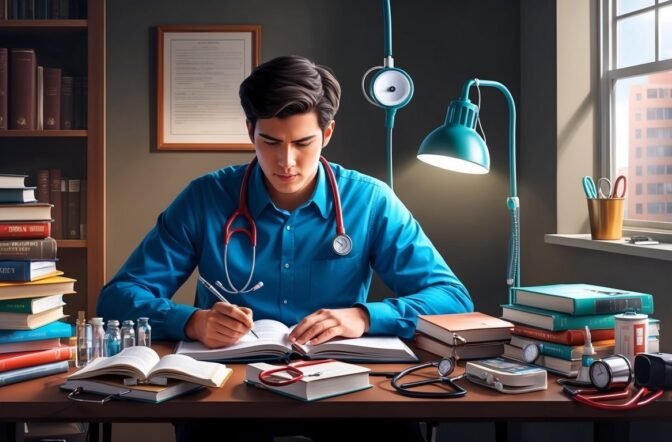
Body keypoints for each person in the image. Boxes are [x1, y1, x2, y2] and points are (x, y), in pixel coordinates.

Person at [97, 55, 472, 441]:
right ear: (250, 132)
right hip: (229, 388)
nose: (286, 161)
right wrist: (192, 322)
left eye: (303, 143)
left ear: (327, 133)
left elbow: (452, 299)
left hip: (342, 386)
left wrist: (364, 317)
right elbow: (117, 298)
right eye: (270, 142)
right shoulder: (205, 198)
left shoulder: (370, 201)